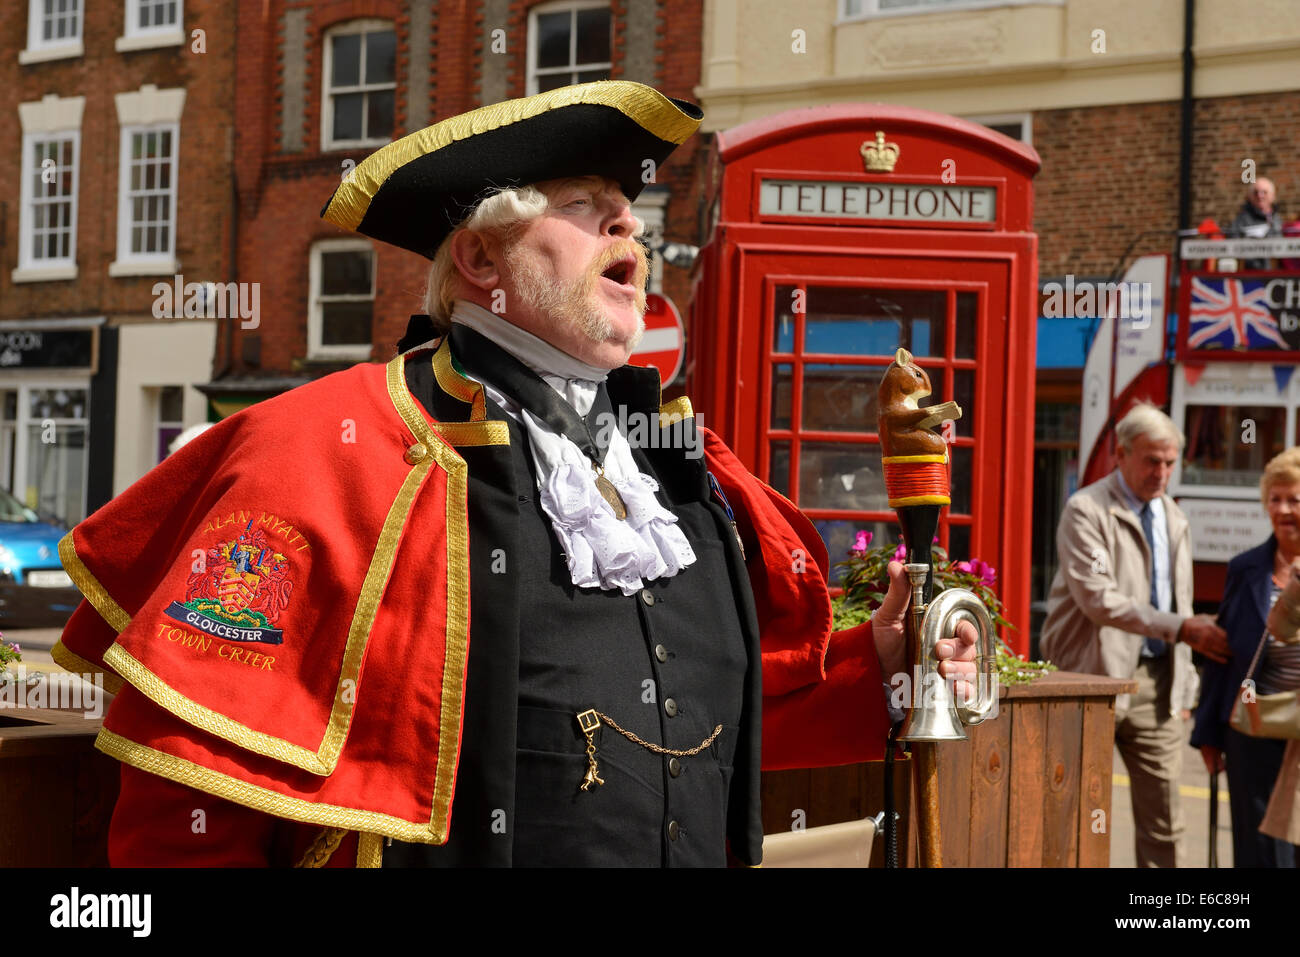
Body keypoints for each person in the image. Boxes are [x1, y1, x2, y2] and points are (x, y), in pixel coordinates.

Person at [52, 81, 978, 868]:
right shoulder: (324, 447)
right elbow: (187, 797)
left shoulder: (674, 461)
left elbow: (694, 731)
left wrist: (882, 667)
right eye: (581, 204)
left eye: (630, 210)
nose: (627, 221)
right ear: (481, 256)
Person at [1041, 402, 1230, 867]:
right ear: (1120, 455)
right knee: (1081, 815)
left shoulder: (1174, 518)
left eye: (1169, 462)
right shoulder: (1085, 510)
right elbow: (1098, 599)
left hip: (1160, 685)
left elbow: (1180, 598)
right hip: (1091, 679)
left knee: (1165, 825)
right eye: (1151, 460)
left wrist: (1186, 684)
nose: (1162, 472)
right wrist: (1182, 629)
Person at [1192, 448, 1300, 867]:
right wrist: (1209, 732)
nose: (1283, 509)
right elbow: (1224, 652)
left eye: (1294, 499)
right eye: (1275, 499)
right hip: (1254, 726)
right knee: (1256, 846)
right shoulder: (1245, 568)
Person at [1227, 177, 1283, 270]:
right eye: (1256, 192)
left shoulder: (1277, 219)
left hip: (1275, 274)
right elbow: (1232, 241)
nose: (1260, 196)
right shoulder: (1241, 219)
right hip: (1249, 274)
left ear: (1273, 196)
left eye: (1264, 192)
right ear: (1250, 196)